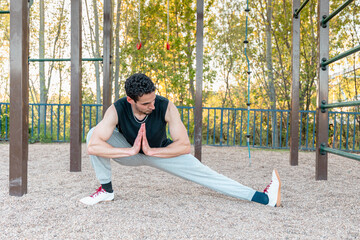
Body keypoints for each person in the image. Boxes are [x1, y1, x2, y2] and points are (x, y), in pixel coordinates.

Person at [80, 73, 281, 207]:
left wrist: (151, 152)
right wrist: (131, 151)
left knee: (207, 174)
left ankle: (264, 198)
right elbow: (93, 146)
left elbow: (184, 146)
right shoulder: (117, 108)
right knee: (93, 134)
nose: (152, 105)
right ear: (131, 100)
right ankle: (106, 191)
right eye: (146, 103)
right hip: (129, 152)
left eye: (153, 99)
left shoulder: (166, 106)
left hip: (162, 152)